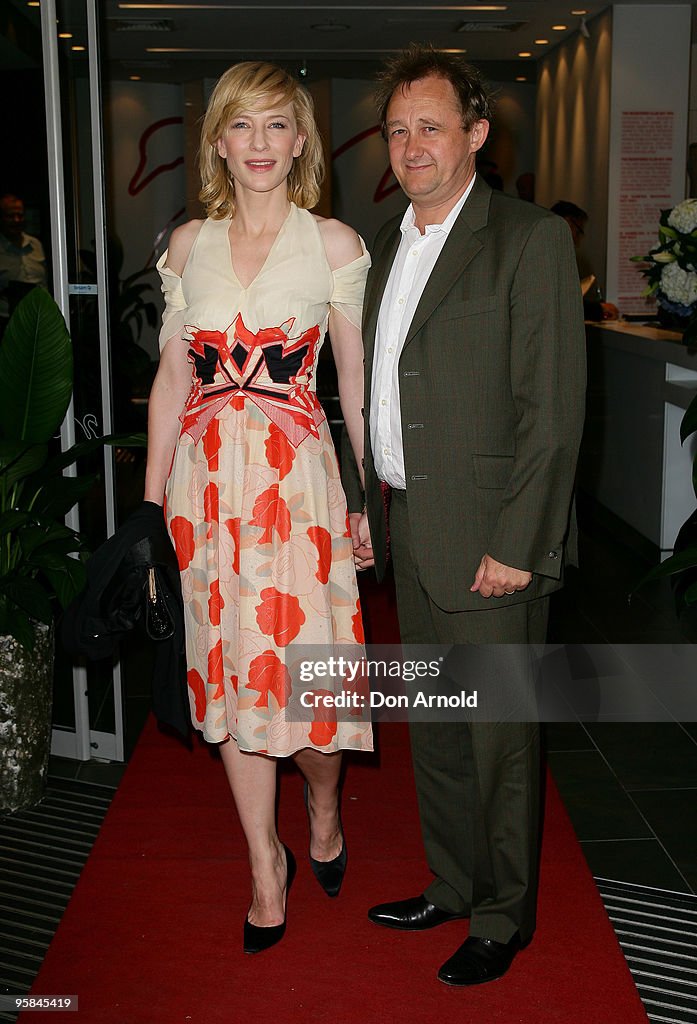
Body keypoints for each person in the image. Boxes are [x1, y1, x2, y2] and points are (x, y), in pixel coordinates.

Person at [351, 47, 586, 986]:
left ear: (476, 135)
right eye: (399, 128)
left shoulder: (527, 239)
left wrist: (518, 543)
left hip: (492, 537)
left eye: (431, 126)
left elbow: (553, 411)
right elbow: (376, 390)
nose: (411, 144)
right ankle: (450, 884)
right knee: (439, 728)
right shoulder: (381, 242)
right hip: (410, 522)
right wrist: (371, 506)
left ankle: (501, 915)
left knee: (499, 740)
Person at [144, 61, 372, 955]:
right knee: (233, 687)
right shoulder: (185, 245)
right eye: (242, 126)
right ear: (218, 143)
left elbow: (351, 385)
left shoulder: (335, 245)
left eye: (278, 125)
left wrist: (363, 499)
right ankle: (262, 868)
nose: (260, 145)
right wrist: (152, 509)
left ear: (302, 140)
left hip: (300, 492)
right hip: (205, 495)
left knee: (308, 688)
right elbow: (170, 380)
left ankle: (321, 801)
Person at [550, 199, 619, 320]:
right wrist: (599, 309)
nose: (577, 242)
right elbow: (561, 303)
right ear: (567, 223)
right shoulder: (549, 258)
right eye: (578, 232)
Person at [0, 193, 47, 332]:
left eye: (20, 215)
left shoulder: (36, 244)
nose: (16, 220)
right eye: (10, 216)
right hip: (6, 324)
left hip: (38, 321)